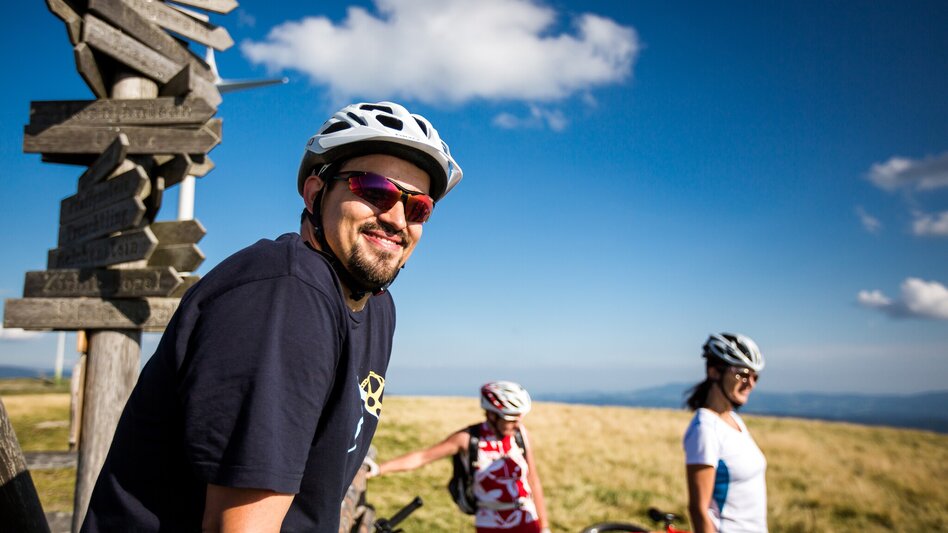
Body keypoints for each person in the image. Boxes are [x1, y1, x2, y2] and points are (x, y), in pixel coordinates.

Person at [81, 101, 463, 532]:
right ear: (316, 193)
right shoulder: (285, 293)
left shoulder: (376, 307)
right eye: (375, 190)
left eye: (418, 208)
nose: (396, 218)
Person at [370, 381, 551, 533]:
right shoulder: (467, 439)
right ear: (491, 415)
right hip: (490, 523)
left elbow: (532, 479)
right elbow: (422, 457)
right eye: (510, 419)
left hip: (527, 518)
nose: (516, 424)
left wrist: (544, 527)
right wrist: (379, 469)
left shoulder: (520, 435)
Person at [683, 333, 768, 533]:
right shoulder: (705, 429)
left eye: (755, 376)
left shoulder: (733, 419)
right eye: (742, 374)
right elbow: (699, 509)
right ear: (714, 372)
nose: (751, 383)